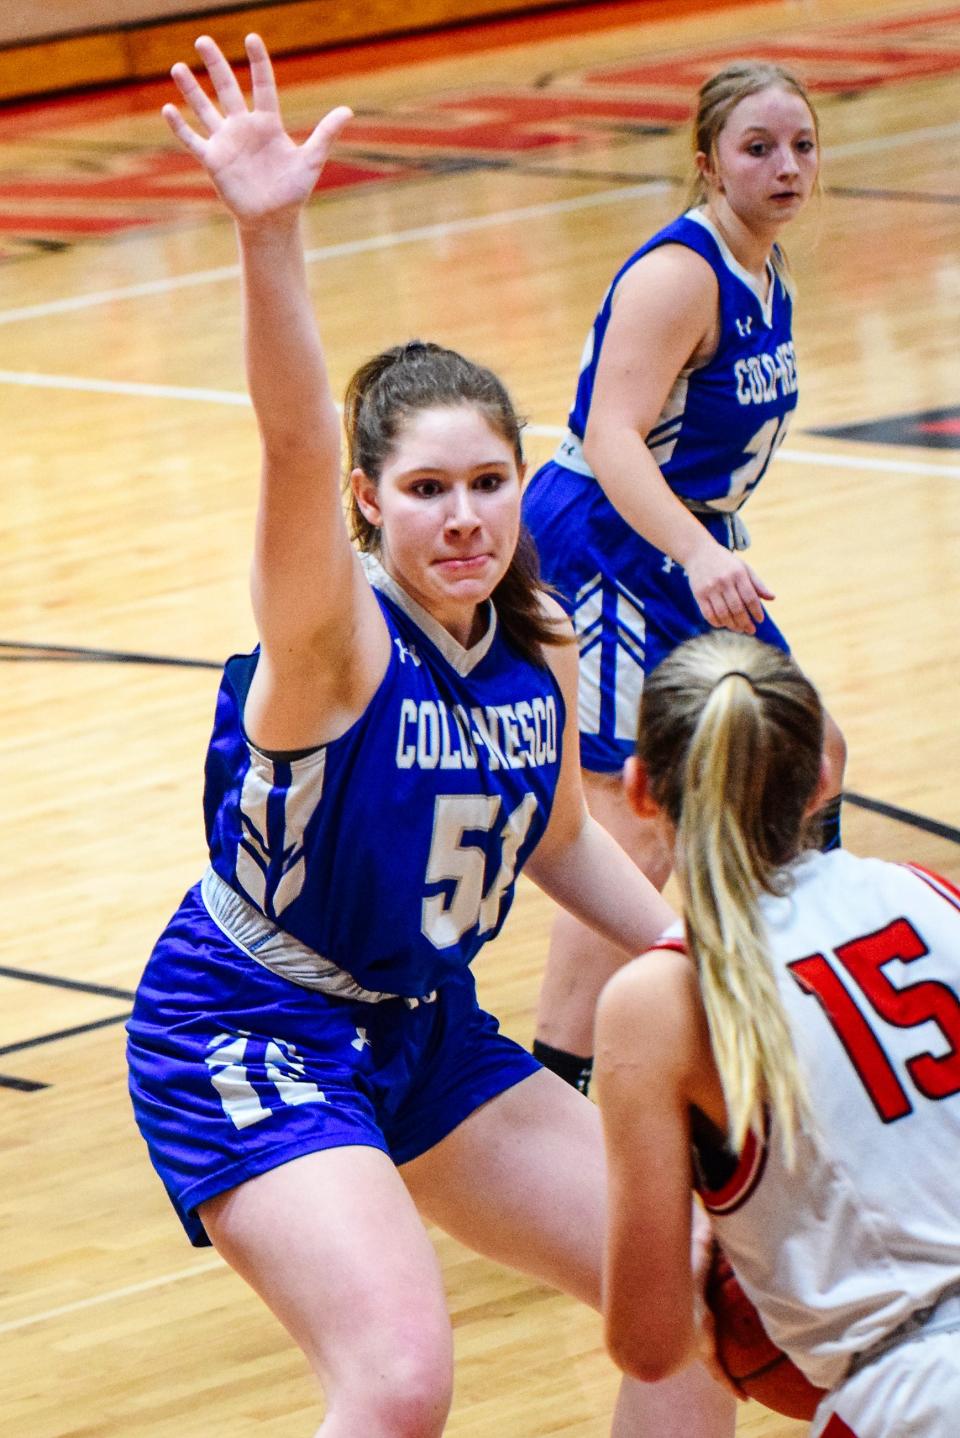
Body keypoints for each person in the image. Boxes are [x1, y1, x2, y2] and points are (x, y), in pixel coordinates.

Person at [125, 35, 736, 1438]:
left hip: (426, 1029)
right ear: (367, 500)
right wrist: (269, 235)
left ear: (524, 484)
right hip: (254, 1022)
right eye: (424, 489)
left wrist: (703, 962)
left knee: (691, 1287)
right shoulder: (332, 639)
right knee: (400, 1381)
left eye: (488, 481)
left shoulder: (536, 645)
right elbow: (287, 440)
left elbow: (562, 841)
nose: (461, 515)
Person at [521, 60, 847, 1096]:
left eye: (799, 145)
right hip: (609, 543)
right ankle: (567, 1071)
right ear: (707, 164)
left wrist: (704, 543)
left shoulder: (767, 267)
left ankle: (795, 997)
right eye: (759, 148)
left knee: (810, 756)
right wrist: (701, 552)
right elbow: (612, 436)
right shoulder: (681, 273)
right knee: (636, 822)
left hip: (678, 541)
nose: (785, 165)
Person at [593, 628, 960, 1436]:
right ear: (823, 776)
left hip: (918, 1394)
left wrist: (718, 1295)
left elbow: (649, 1347)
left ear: (641, 789)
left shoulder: (660, 1000)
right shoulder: (930, 893)